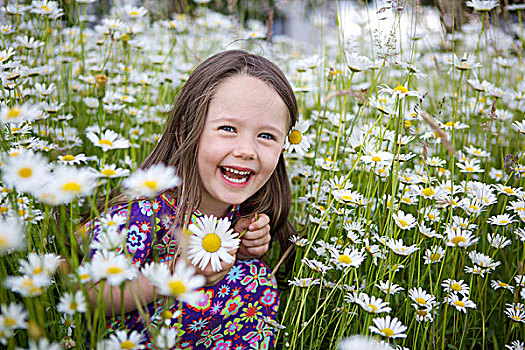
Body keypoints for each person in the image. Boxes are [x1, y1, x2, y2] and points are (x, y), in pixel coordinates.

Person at [83, 50, 298, 349]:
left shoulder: (242, 213)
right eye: (228, 129)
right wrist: (176, 273)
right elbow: (91, 297)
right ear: (186, 131)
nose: (247, 150)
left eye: (267, 136)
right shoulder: (143, 213)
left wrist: (247, 245)